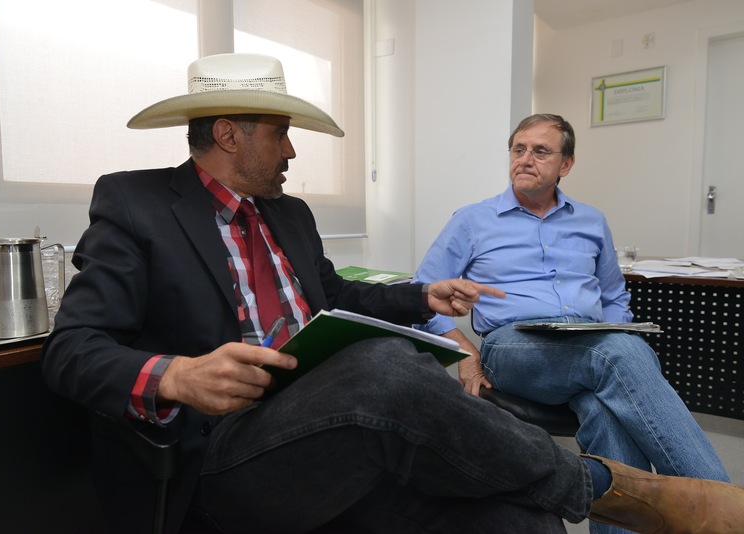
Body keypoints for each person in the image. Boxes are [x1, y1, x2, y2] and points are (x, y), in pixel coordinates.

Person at [42, 56, 744, 534]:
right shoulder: (136, 205)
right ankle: (613, 489)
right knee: (385, 366)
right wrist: (177, 375)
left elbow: (334, 293)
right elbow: (73, 350)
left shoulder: (290, 214)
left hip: (336, 425)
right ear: (229, 134)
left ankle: (598, 494)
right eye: (282, 134)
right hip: (230, 451)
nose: (292, 152)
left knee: (518, 514)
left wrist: (422, 298)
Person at [414, 113, 736, 533]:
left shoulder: (591, 220)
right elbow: (421, 292)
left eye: (541, 151)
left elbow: (614, 296)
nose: (526, 159)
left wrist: (614, 331)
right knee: (620, 353)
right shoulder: (472, 220)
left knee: (605, 409)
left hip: (586, 343)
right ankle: (722, 504)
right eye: (519, 150)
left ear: (565, 164)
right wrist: (464, 351)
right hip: (514, 346)